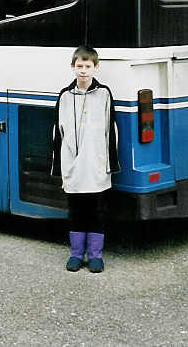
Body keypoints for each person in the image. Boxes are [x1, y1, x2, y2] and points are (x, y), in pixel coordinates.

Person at [51, 45, 120, 273]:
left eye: (87, 66)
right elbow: (57, 135)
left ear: (95, 67)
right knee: (76, 211)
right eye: (79, 66)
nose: (83, 71)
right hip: (73, 166)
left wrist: (110, 164)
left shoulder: (104, 94)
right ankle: (76, 254)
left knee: (96, 211)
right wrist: (59, 167)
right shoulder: (64, 95)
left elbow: (111, 132)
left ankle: (95, 256)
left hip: (96, 165)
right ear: (73, 67)